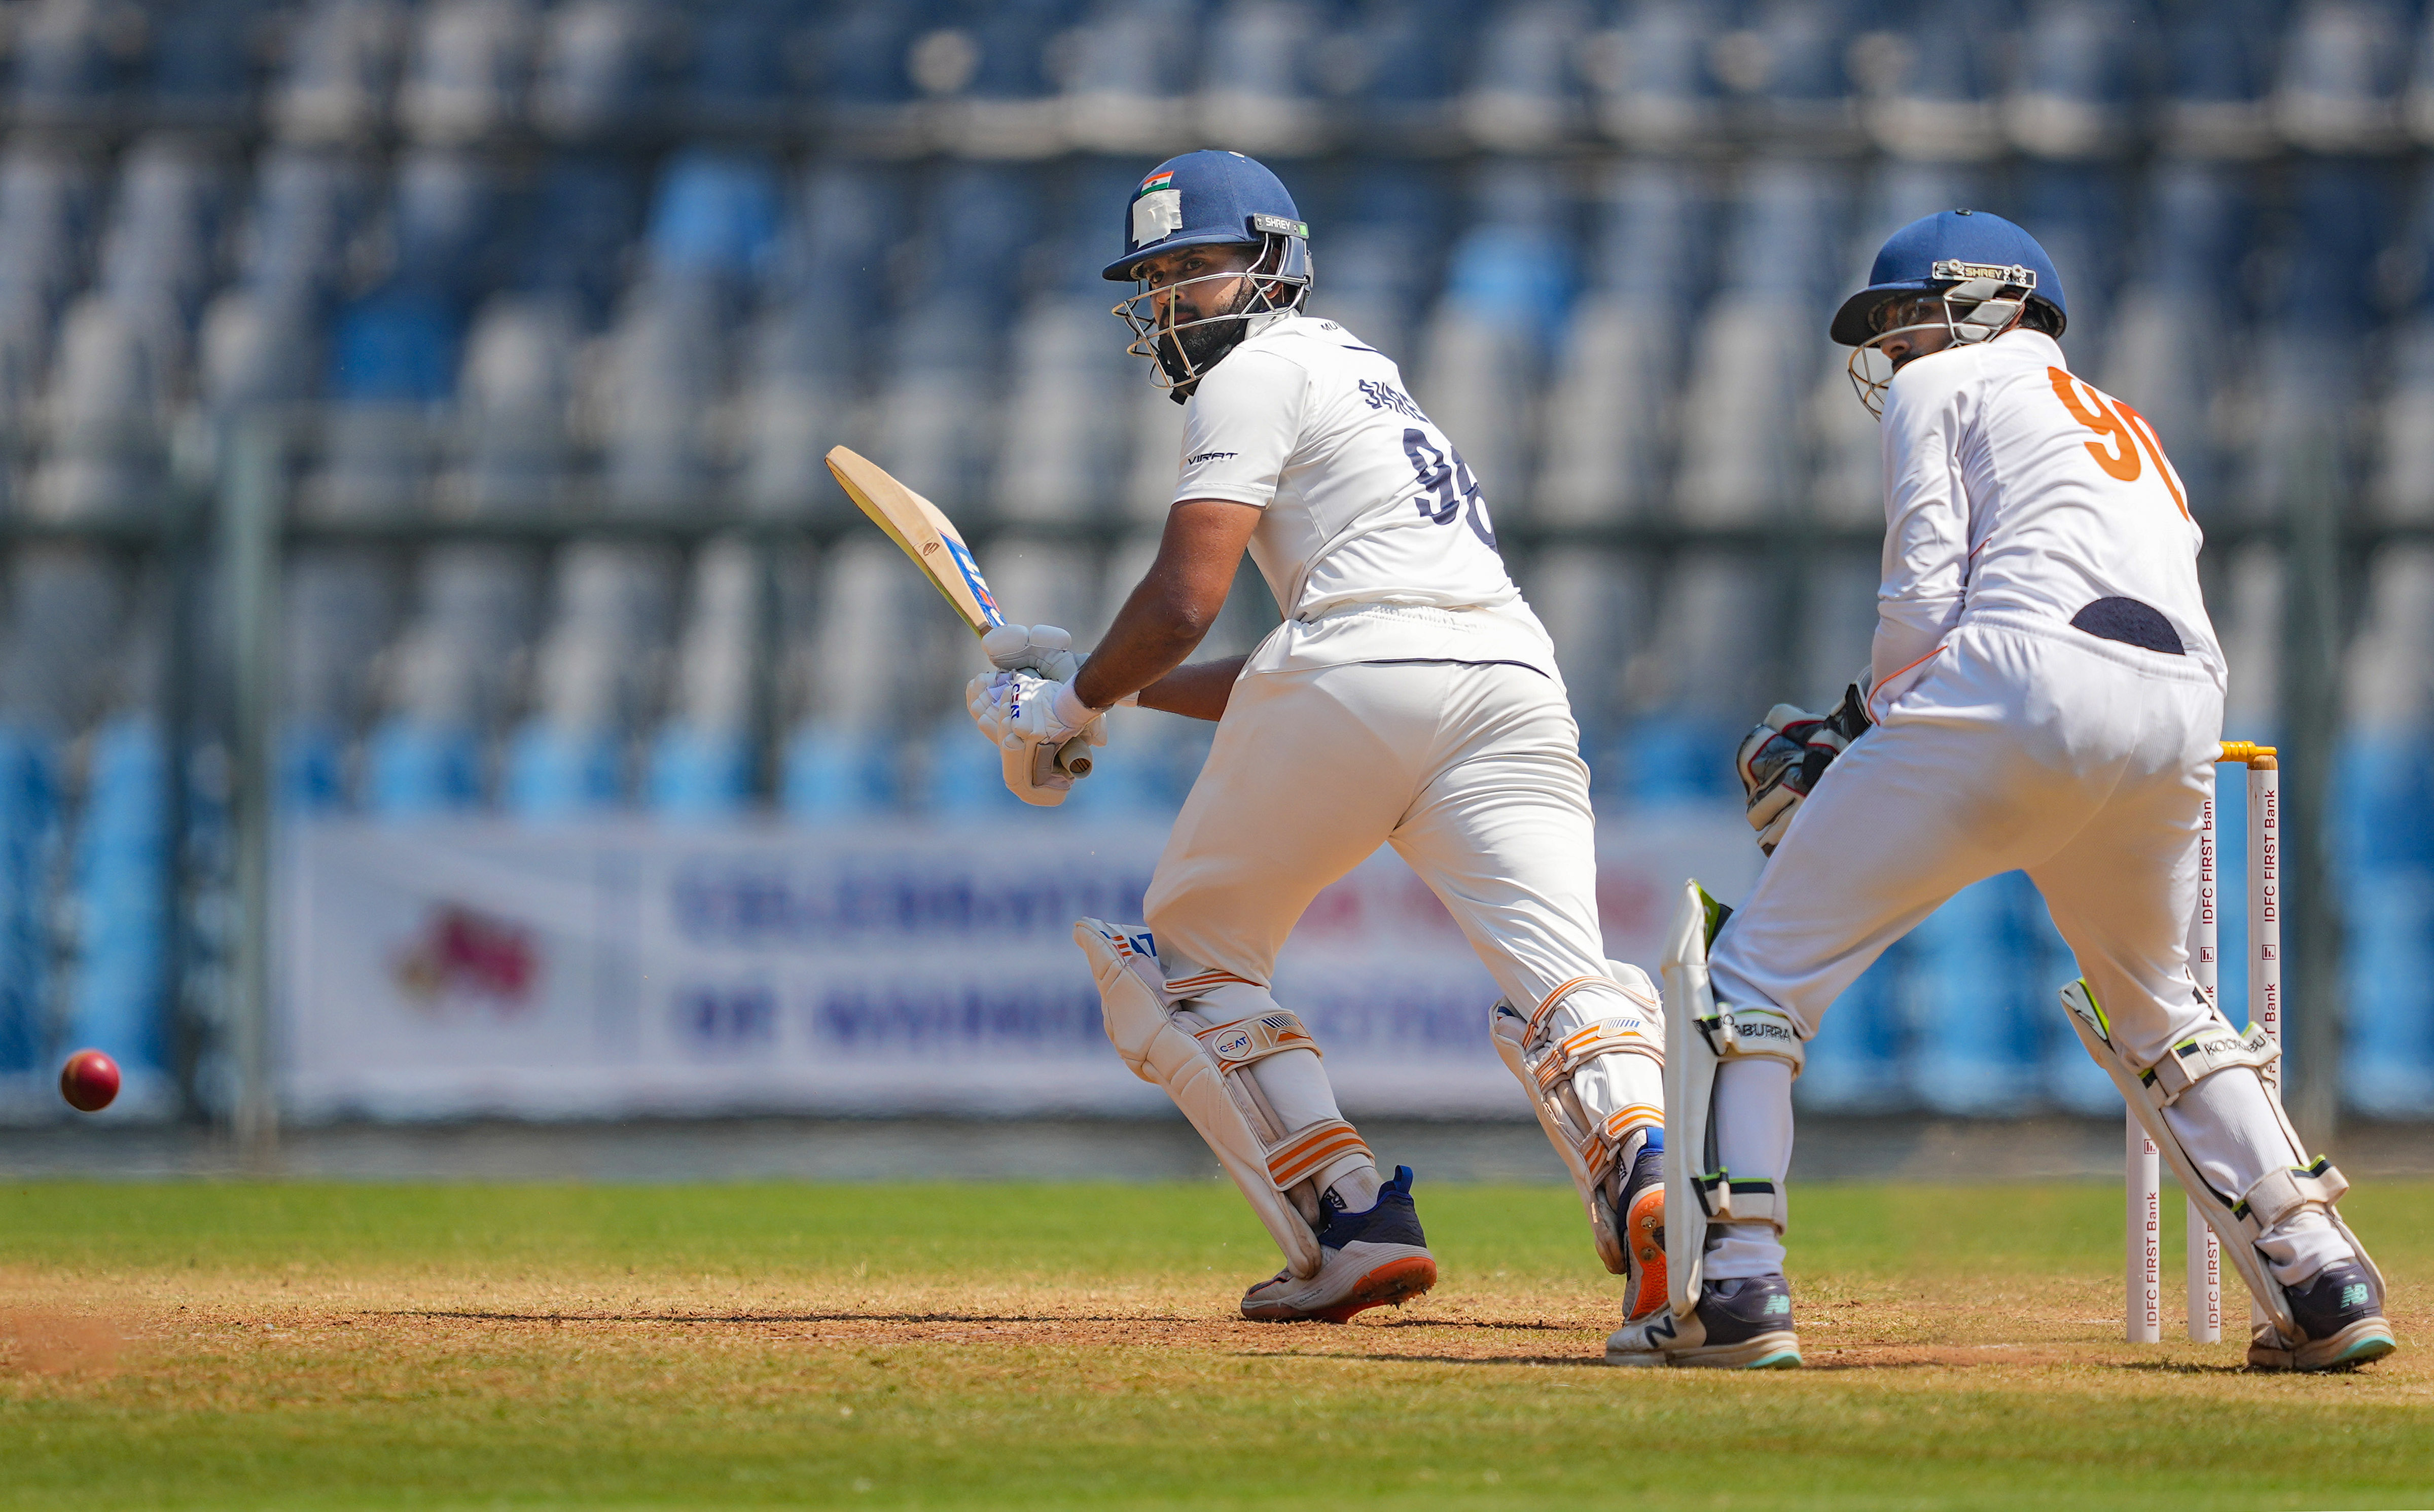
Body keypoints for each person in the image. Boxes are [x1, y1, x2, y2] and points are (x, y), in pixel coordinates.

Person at [1605, 210, 2397, 1372]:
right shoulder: (2129, 419)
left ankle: (1734, 1290)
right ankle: (2322, 1270)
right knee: (2163, 1007)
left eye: (1903, 318)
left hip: (2019, 683)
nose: (1893, 351)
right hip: (2182, 706)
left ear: (1985, 303)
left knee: (1750, 980)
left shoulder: (1949, 387)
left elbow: (1924, 597)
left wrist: (1861, 726)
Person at [969, 150, 1667, 1323]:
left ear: (1272, 265)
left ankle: (1351, 1220)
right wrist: (1115, 687)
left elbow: (1197, 604)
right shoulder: (1373, 378)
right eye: (1158, 274)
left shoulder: (1250, 371)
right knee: (1568, 978)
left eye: (1197, 266)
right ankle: (1656, 1182)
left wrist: (1067, 706)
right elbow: (1325, 648)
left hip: (1362, 673)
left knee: (1191, 960)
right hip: (1511, 677)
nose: (1171, 296)